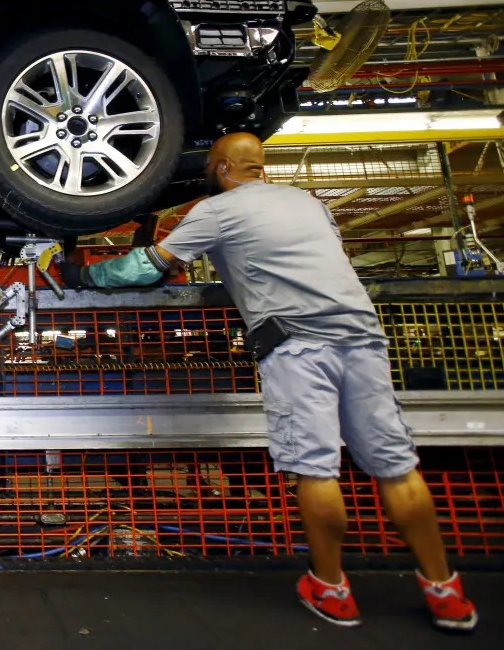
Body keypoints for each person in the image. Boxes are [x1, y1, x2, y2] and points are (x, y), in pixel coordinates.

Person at [59, 132, 477, 632]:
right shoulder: (310, 202)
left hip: (298, 344)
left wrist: (81, 275)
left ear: (218, 169)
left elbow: (148, 266)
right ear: (261, 166)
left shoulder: (217, 211)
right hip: (363, 336)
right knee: (396, 467)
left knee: (317, 471)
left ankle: (331, 588)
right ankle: (444, 590)